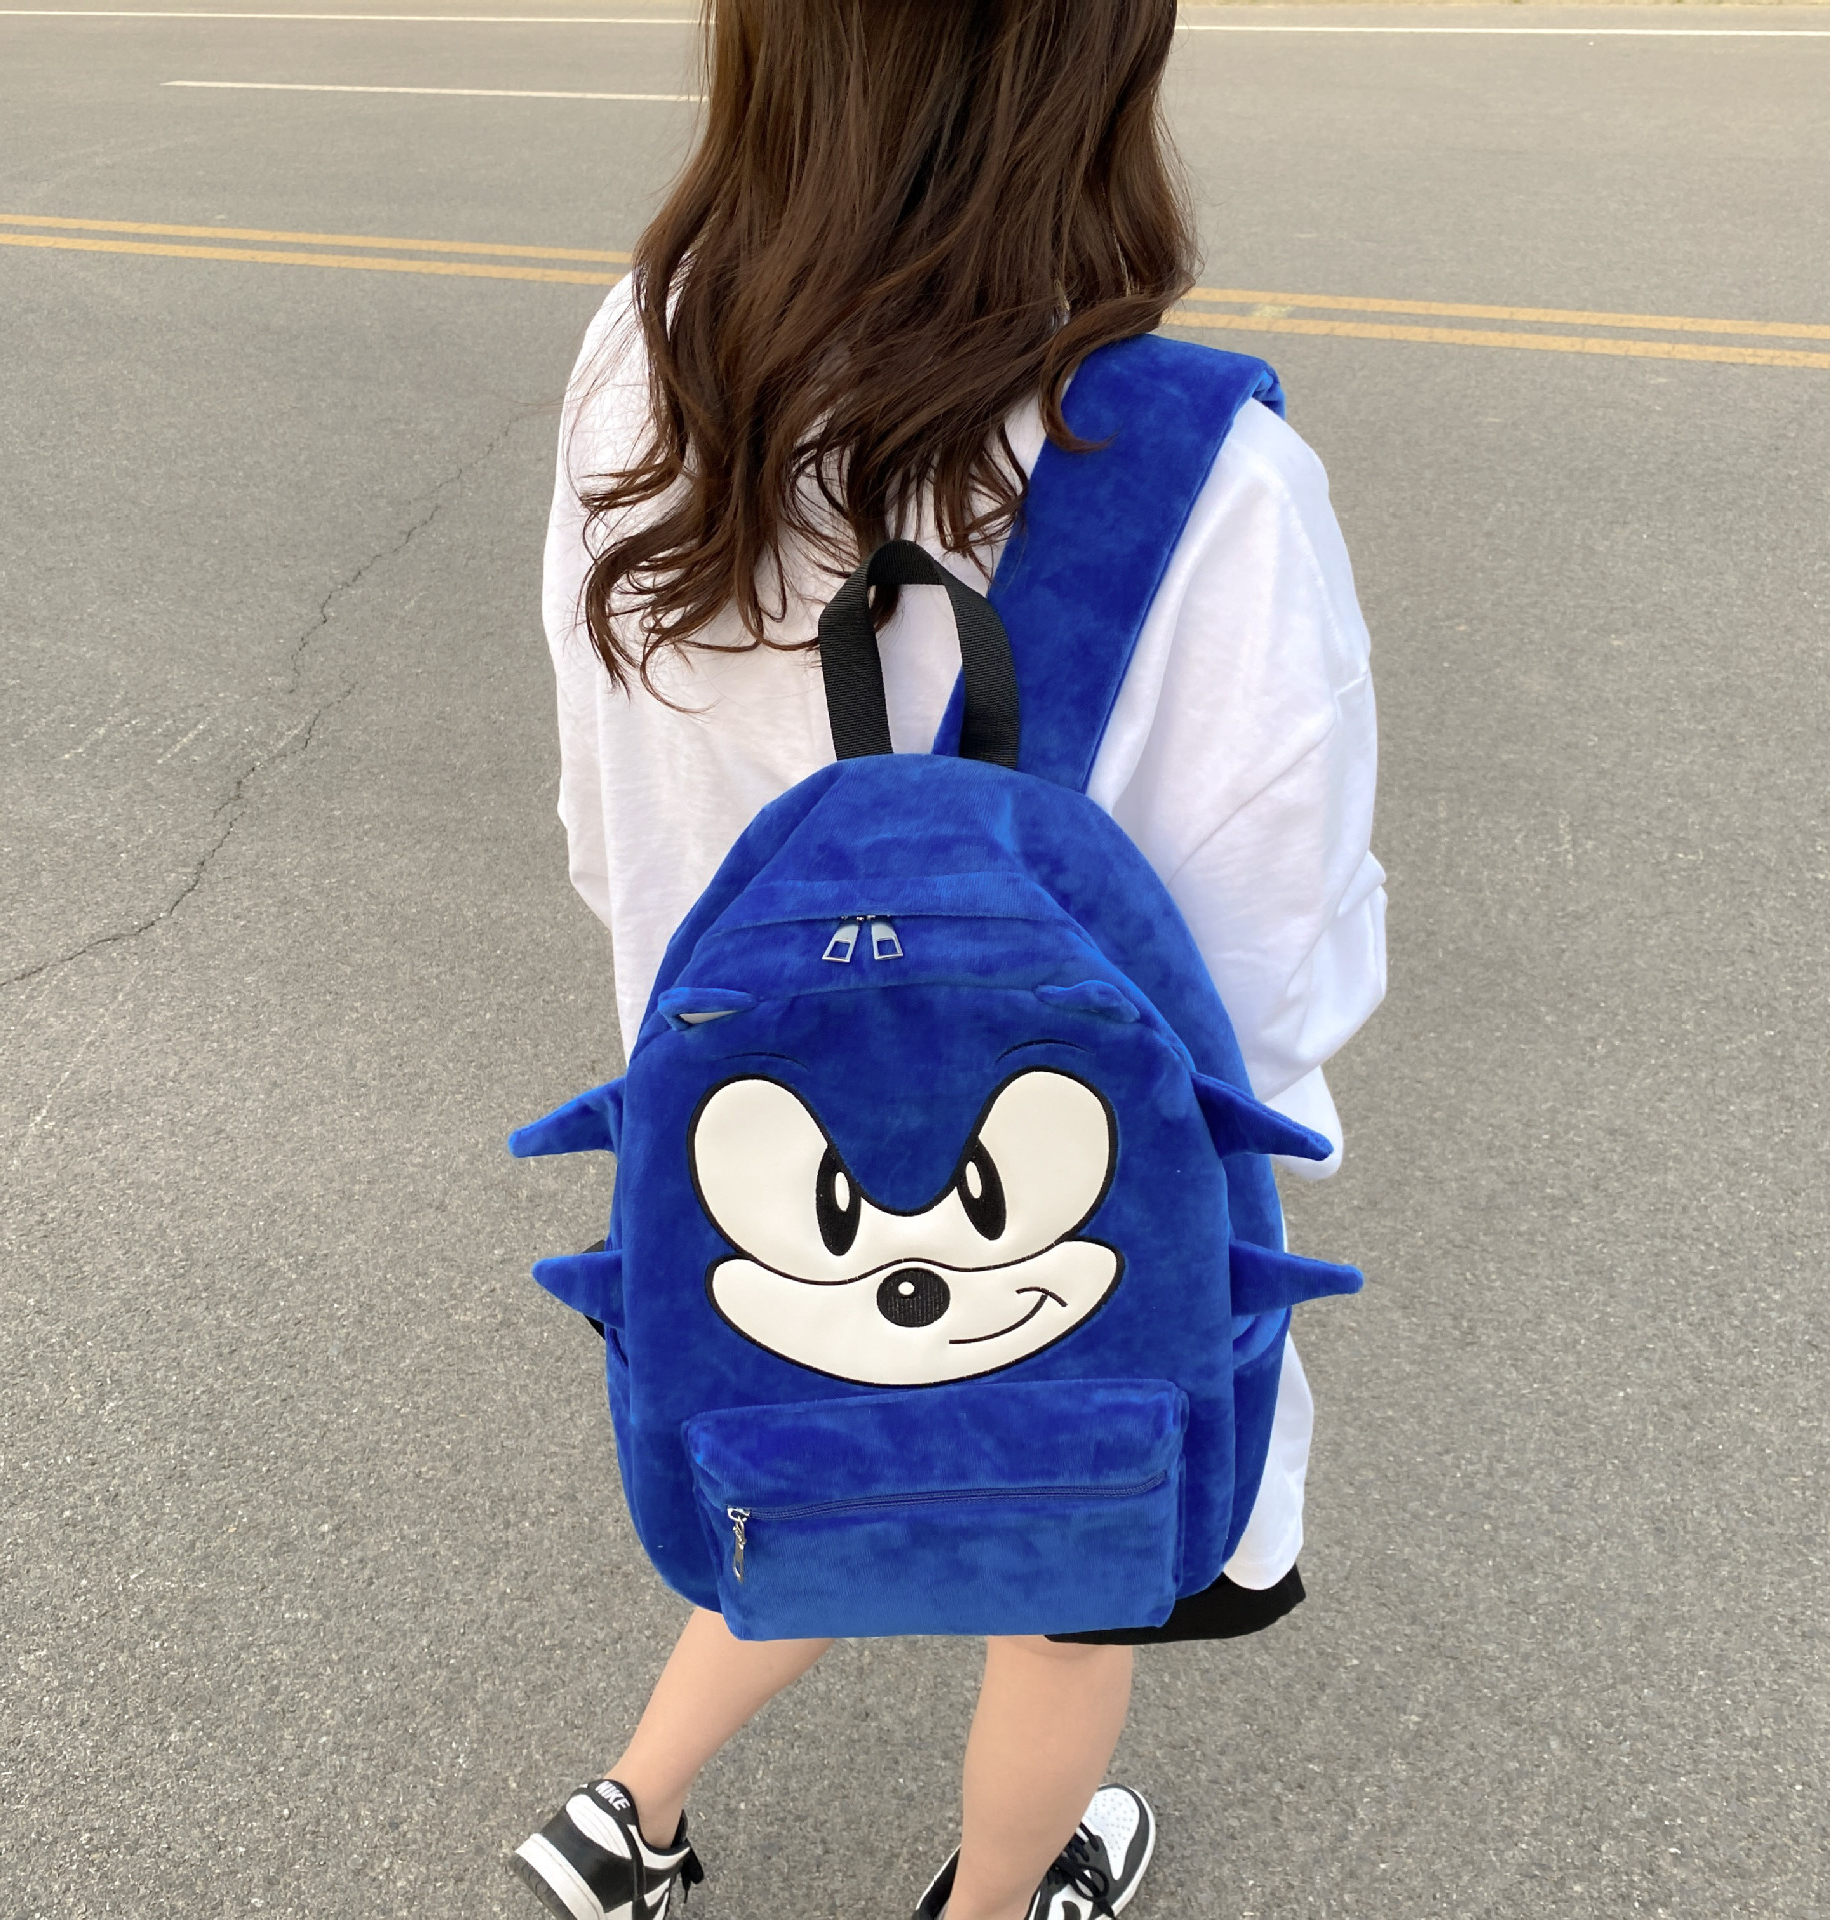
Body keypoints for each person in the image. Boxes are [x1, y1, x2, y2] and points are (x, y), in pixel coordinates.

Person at [512, 3, 1386, 1917]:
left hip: (739, 1161)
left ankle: (627, 1819)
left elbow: (605, 831)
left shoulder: (649, 365)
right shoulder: (1198, 473)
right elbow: (1273, 984)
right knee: (1057, 1575)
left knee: (821, 1458)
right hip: (1070, 1209)